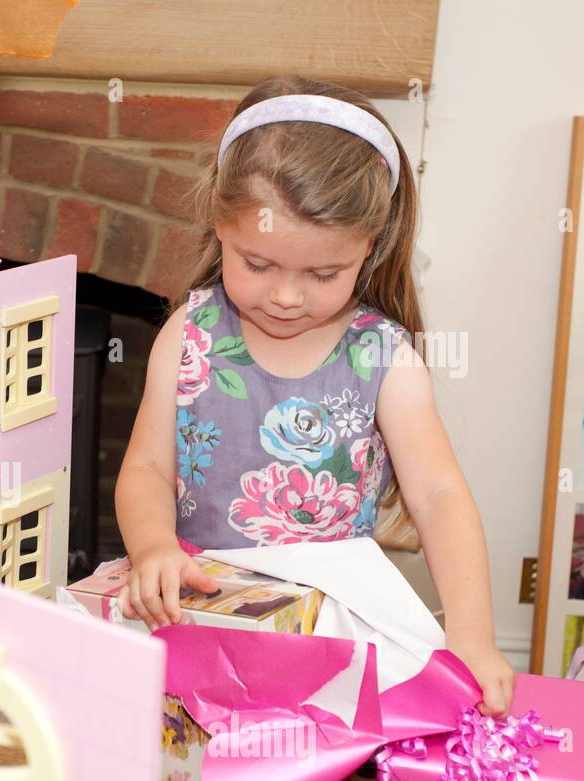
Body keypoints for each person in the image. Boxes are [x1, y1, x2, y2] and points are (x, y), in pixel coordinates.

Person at [114, 76, 515, 716]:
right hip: (199, 622)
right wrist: (153, 545)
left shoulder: (384, 358)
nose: (286, 297)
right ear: (219, 225)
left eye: (323, 274)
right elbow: (147, 468)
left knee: (304, 779)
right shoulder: (189, 333)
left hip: (327, 641)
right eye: (258, 264)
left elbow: (439, 496)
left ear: (371, 248)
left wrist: (472, 635)